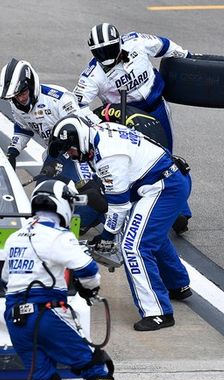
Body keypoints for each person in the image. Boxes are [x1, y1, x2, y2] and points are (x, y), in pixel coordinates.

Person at [0, 179, 135, 380]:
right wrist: (91, 288)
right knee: (98, 370)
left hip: (15, 319)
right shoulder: (59, 236)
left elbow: (4, 280)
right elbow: (87, 268)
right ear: (63, 204)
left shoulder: (15, 238)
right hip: (45, 312)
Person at [49, 116, 192, 331]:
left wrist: (107, 235)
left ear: (77, 141)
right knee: (151, 236)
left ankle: (158, 312)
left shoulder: (109, 156)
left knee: (134, 246)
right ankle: (178, 284)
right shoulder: (98, 133)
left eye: (69, 150)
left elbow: (119, 206)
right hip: (166, 179)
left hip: (164, 188)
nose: (70, 155)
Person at [74, 23, 192, 234]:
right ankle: (133, 207)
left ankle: (178, 210)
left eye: (108, 49)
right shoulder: (91, 76)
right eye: (99, 52)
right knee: (139, 163)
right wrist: (99, 124)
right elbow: (78, 106)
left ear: (118, 42)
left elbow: (164, 45)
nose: (105, 55)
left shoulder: (136, 41)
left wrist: (186, 56)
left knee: (167, 158)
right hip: (128, 121)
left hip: (157, 108)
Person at [0, 58, 104, 234]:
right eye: (15, 95)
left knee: (86, 189)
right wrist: (12, 152)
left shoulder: (59, 98)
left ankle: (103, 221)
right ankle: (58, 226)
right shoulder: (15, 104)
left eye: (22, 92)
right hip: (54, 152)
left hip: (81, 148)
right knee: (44, 193)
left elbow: (81, 131)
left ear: (31, 84)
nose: (20, 98)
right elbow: (23, 129)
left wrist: (62, 159)